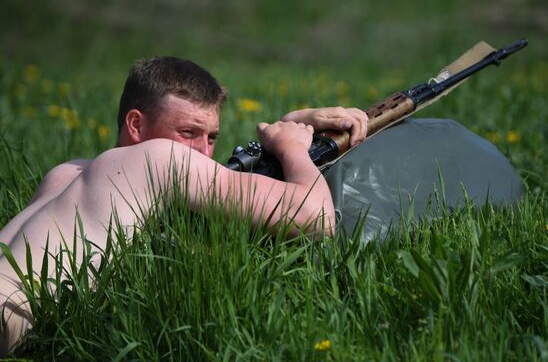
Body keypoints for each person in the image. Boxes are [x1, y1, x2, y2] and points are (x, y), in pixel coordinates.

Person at [0, 57, 368, 354]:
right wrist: (291, 147)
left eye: (211, 138)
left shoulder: (69, 173)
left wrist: (290, 124)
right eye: (188, 133)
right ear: (136, 124)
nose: (203, 152)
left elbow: (217, 184)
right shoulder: (159, 159)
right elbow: (314, 218)